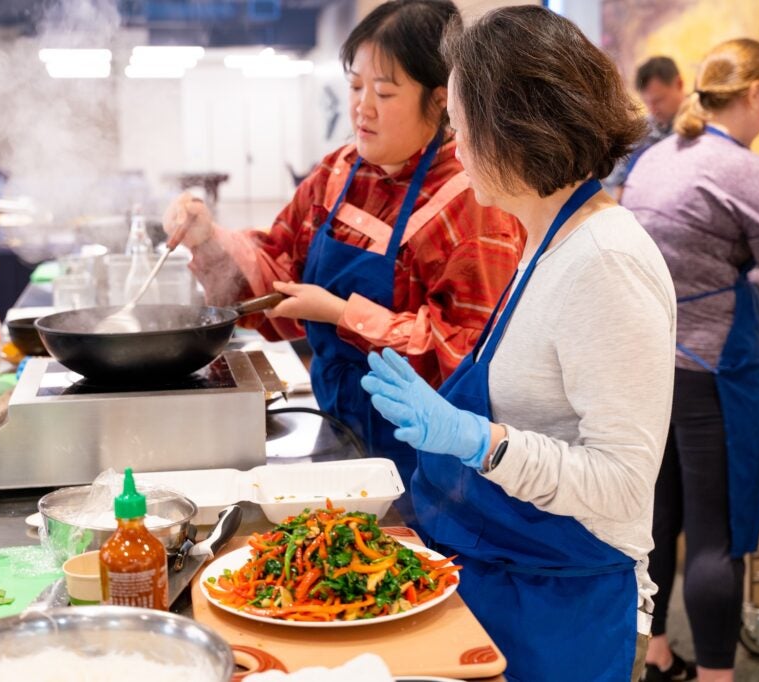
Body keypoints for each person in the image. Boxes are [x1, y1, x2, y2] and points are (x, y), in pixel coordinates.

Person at [362, 7, 675, 681]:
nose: (457, 144)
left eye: (461, 122)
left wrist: (483, 441)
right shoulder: (543, 240)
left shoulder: (605, 258)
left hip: (569, 613)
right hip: (507, 587)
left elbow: (622, 484)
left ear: (514, 124)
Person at [163, 0, 523, 523]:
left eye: (385, 92)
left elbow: (467, 354)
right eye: (356, 88)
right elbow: (276, 261)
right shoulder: (339, 172)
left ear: (441, 101)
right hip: (340, 427)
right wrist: (209, 238)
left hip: (435, 463)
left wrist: (339, 314)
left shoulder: (473, 200)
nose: (362, 109)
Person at [622, 39, 759, 682]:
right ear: (753, 94)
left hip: (649, 364)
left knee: (660, 519)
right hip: (714, 368)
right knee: (717, 531)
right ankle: (721, 678)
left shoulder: (656, 157)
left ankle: (660, 654)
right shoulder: (750, 171)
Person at [604, 56, 686, 201]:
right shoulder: (642, 131)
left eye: (658, 100)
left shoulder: (706, 125)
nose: (653, 109)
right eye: (647, 102)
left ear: (679, 84)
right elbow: (616, 180)